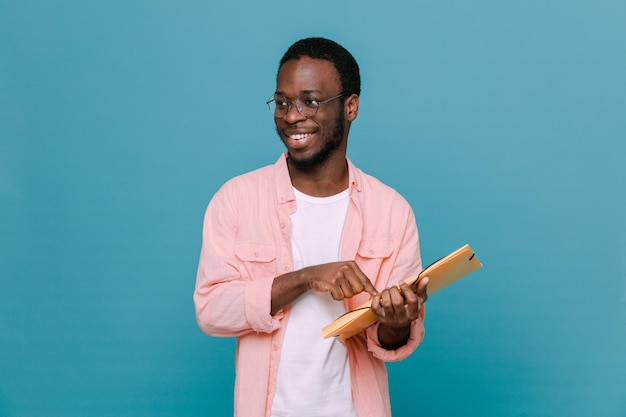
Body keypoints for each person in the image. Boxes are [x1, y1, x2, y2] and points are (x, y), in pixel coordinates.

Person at [194, 37, 429, 417]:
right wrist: (304, 279)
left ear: (350, 107)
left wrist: (397, 322)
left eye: (311, 101)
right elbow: (211, 310)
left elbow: (385, 341)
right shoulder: (236, 199)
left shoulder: (391, 210)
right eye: (282, 102)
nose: (291, 116)